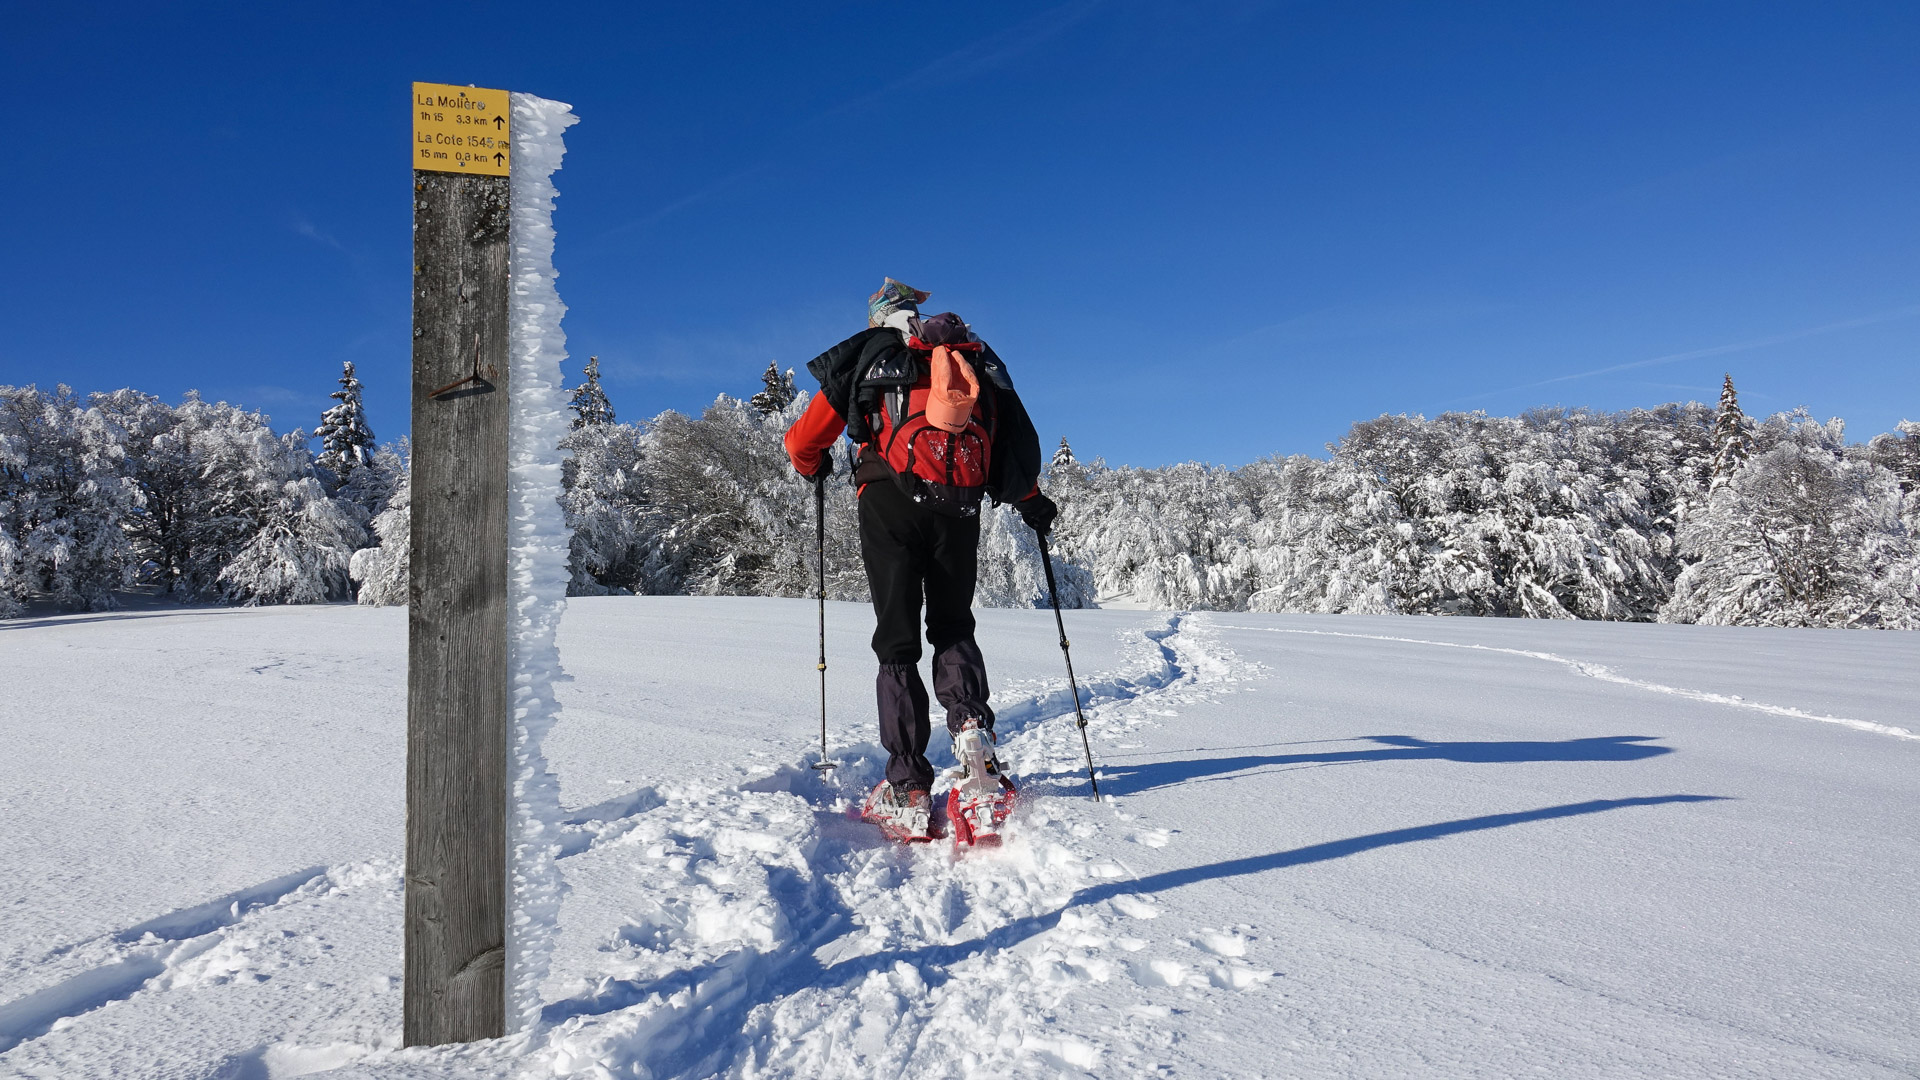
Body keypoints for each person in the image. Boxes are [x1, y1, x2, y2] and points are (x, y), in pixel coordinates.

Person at [785, 278, 1058, 841]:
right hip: (958, 506)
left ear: (878, 318)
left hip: (887, 502)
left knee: (897, 639)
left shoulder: (872, 354)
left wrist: (813, 465)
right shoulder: (971, 359)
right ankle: (974, 741)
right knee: (954, 625)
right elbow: (1010, 449)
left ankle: (908, 787)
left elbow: (803, 441)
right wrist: (1032, 503)